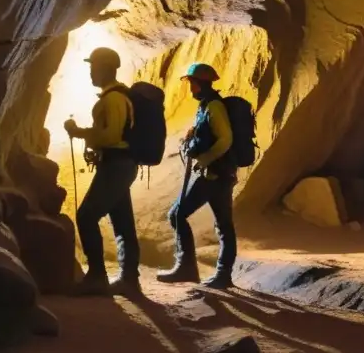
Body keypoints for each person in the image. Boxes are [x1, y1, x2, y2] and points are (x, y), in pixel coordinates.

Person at [64, 47, 142, 297]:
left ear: (107, 69)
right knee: (122, 223)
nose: (90, 72)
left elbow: (111, 135)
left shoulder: (113, 99)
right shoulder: (115, 97)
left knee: (86, 216)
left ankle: (97, 276)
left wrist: (80, 133)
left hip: (116, 166)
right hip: (118, 164)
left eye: (93, 67)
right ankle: (130, 280)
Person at [157, 63, 238, 289]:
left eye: (192, 83)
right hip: (219, 174)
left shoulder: (214, 107)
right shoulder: (206, 106)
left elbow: (226, 139)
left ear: (201, 83)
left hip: (213, 175)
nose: (190, 87)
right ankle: (223, 275)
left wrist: (205, 159)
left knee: (177, 214)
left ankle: (187, 267)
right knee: (224, 225)